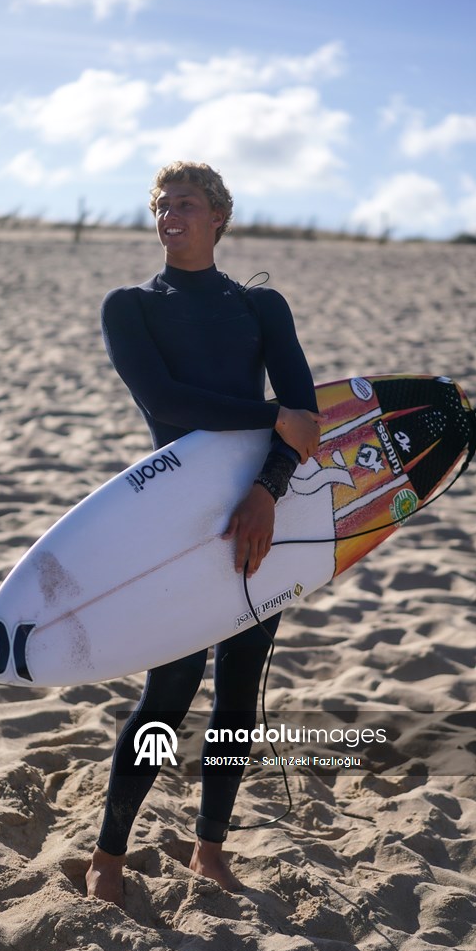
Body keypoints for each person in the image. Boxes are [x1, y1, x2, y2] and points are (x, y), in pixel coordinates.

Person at [86, 162, 321, 906]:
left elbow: (307, 418)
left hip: (258, 512)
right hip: (177, 516)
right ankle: (109, 854)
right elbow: (167, 401)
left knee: (239, 690)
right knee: (169, 689)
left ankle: (209, 847)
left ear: (218, 215)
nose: (170, 214)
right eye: (161, 204)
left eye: (185, 203)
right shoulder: (131, 307)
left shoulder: (260, 305)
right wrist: (271, 419)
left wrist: (267, 491)